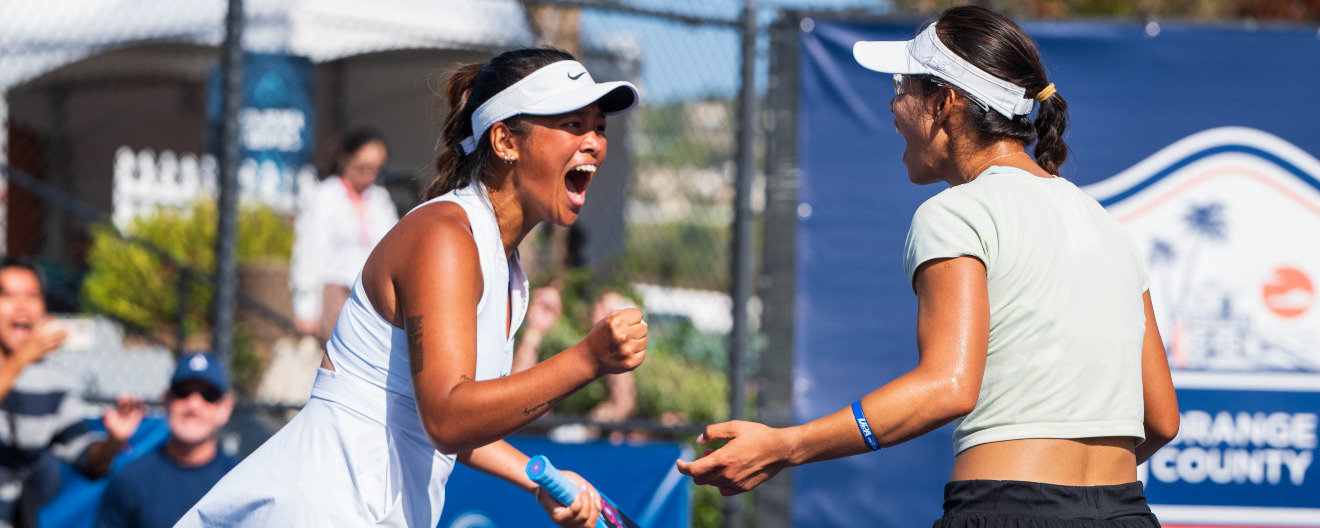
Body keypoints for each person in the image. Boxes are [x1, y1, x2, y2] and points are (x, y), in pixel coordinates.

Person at [677, 7, 1181, 527]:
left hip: (1006, 509)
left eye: (902, 87)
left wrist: (787, 446)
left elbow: (948, 385)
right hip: (1127, 514)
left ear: (944, 103)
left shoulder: (955, 212)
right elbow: (1161, 420)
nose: (893, 106)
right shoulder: (1108, 227)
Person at [180, 48, 647, 528]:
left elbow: (434, 415)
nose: (593, 141)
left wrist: (539, 478)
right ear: (505, 141)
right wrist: (588, 360)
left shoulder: (501, 265)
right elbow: (447, 418)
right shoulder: (444, 238)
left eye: (599, 127)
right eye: (573, 124)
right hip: (319, 508)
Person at [0, 258, 146, 527]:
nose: (22, 306)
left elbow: (89, 463)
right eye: (7, 295)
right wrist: (21, 359)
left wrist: (113, 440)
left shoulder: (55, 383)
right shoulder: (22, 361)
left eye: (32, 296)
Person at [96, 353, 238, 528]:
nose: (193, 405)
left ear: (225, 408)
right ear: (165, 399)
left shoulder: (240, 479)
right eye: (183, 393)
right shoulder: (131, 480)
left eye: (208, 395)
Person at [290, 127, 400, 341]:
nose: (370, 175)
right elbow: (308, 252)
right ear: (347, 160)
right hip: (335, 293)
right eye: (364, 167)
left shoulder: (380, 199)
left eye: (376, 169)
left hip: (372, 297)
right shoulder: (325, 196)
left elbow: (392, 246)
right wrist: (305, 309)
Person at [512, 286, 637, 440]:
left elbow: (622, 406)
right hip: (534, 438)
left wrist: (616, 342)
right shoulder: (557, 340)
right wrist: (534, 330)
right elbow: (514, 397)